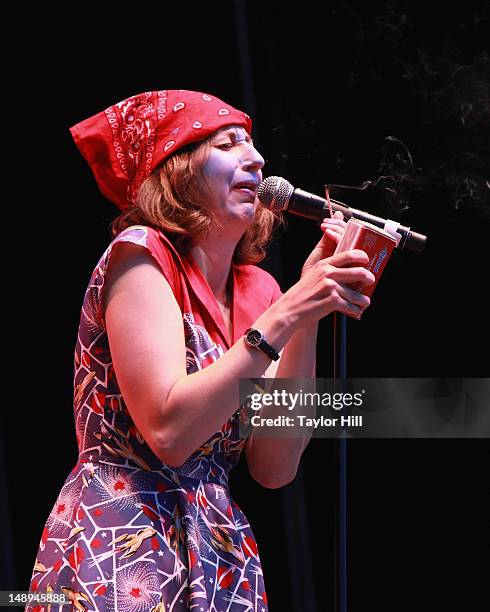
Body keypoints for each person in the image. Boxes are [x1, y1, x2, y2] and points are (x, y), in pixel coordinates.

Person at [26, 89, 374, 611]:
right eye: (228, 143)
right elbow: (169, 432)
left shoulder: (261, 290)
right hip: (120, 533)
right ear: (179, 170)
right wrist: (285, 315)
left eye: (253, 145)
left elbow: (274, 466)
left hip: (218, 550)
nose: (255, 159)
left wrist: (307, 318)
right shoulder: (141, 256)